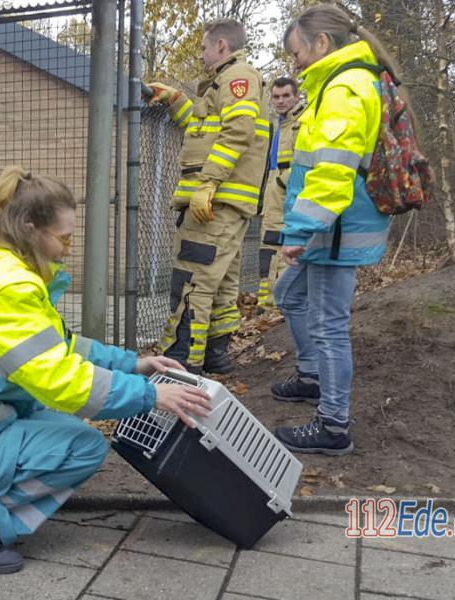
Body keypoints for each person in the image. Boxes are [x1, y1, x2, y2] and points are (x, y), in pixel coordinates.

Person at [0, 166, 213, 574]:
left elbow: (55, 345)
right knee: (84, 446)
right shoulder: (7, 290)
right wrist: (150, 395)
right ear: (30, 227)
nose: (69, 246)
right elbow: (61, 382)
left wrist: (132, 363)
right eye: (64, 237)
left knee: (58, 422)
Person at [272, 4, 408, 455]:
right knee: (290, 296)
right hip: (330, 228)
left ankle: (333, 426)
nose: (294, 64)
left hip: (333, 230)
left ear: (321, 44)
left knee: (330, 325)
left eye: (296, 54)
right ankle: (312, 376)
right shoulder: (338, 84)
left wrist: (300, 229)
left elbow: (332, 171)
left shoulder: (345, 89)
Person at [147, 19, 270, 376]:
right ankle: (216, 355)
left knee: (191, 282)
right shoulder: (226, 82)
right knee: (220, 283)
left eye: (203, 48)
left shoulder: (236, 77)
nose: (200, 55)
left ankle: (182, 364)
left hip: (214, 203)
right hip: (224, 203)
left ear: (220, 46)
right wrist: (174, 100)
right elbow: (204, 128)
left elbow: (238, 130)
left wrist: (207, 184)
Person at [257, 77, 304, 311]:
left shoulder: (301, 123)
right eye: (276, 97)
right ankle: (267, 302)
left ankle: (280, 303)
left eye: (286, 96)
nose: (281, 101)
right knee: (269, 244)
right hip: (274, 193)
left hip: (287, 194)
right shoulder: (278, 123)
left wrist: (285, 185)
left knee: (285, 246)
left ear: (296, 96)